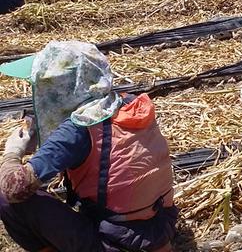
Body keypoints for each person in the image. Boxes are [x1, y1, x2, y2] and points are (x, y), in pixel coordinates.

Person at [0, 41, 177, 252]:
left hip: (116, 242)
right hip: (159, 228)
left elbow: (14, 188)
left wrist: (13, 151)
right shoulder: (128, 103)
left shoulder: (78, 129)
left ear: (60, 88)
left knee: (5, 197)